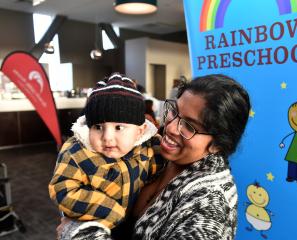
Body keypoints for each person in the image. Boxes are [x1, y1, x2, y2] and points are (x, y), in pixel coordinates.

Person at [57, 74, 251, 240]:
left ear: (218, 144)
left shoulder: (210, 204)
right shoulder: (150, 148)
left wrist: (76, 230)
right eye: (174, 111)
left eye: (190, 126)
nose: (171, 127)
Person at [49, 73, 165, 236]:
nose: (107, 137)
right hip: (94, 228)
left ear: (139, 132)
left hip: (132, 228)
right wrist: (110, 211)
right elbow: (63, 189)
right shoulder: (76, 152)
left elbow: (161, 170)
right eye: (97, 127)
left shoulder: (148, 148)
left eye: (119, 127)